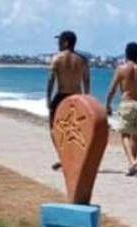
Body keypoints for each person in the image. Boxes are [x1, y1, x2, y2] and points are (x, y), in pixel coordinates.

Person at [105, 42, 137, 176]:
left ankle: (132, 162)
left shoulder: (121, 69)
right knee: (136, 136)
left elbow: (112, 90)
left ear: (126, 54)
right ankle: (132, 165)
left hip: (127, 103)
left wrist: (108, 105)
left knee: (124, 134)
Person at [46, 30, 90, 170]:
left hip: (61, 96)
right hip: (77, 97)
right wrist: (86, 98)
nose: (58, 43)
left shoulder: (57, 58)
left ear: (66, 42)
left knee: (54, 129)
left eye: (59, 41)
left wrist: (48, 97)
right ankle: (70, 157)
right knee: (76, 130)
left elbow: (51, 79)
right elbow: (87, 81)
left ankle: (63, 157)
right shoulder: (82, 60)